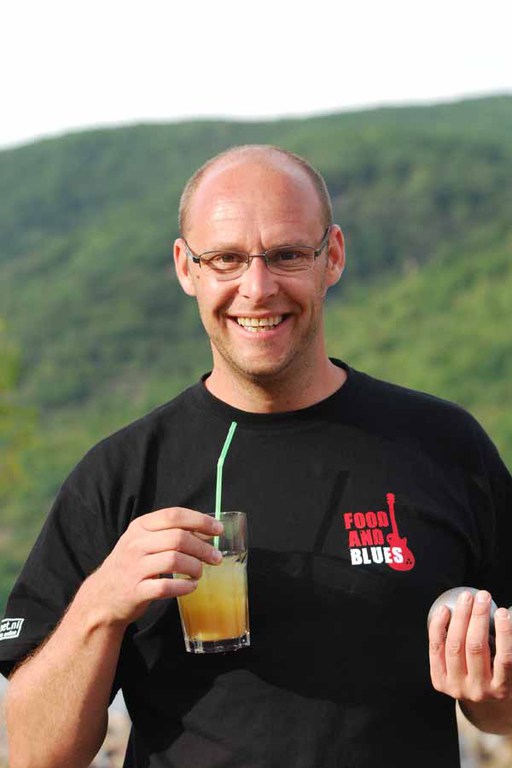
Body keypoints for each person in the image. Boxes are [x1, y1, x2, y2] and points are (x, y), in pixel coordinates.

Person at [1, 144, 512, 768]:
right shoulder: (120, 475)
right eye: (226, 259)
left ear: (333, 256)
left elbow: (500, 714)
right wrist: (101, 604)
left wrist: (492, 692)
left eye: (288, 255)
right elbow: (37, 755)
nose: (258, 288)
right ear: (186, 268)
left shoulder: (444, 445)